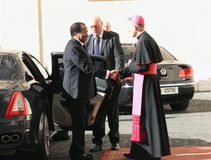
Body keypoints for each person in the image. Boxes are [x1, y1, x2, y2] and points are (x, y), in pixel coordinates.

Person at [62, 22, 118, 160]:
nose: (87, 34)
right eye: (84, 32)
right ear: (76, 34)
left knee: (81, 123)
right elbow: (87, 67)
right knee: (78, 124)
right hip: (76, 93)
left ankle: (79, 151)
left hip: (81, 92)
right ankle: (77, 153)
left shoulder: (79, 45)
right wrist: (108, 73)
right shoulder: (73, 47)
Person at [118, 15, 171, 159]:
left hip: (146, 86)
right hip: (147, 84)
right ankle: (139, 151)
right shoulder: (144, 39)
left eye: (128, 28)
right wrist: (119, 73)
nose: (128, 31)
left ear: (135, 27)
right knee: (143, 118)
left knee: (147, 118)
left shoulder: (144, 41)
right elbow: (138, 65)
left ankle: (152, 152)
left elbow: (141, 67)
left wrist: (130, 64)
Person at [85, 16, 124, 152]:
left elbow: (119, 56)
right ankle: (97, 142)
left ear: (101, 24)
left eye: (96, 26)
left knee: (112, 112)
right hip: (95, 82)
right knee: (98, 112)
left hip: (111, 81)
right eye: (91, 27)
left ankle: (115, 141)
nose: (94, 29)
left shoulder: (112, 37)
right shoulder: (88, 40)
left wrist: (118, 73)